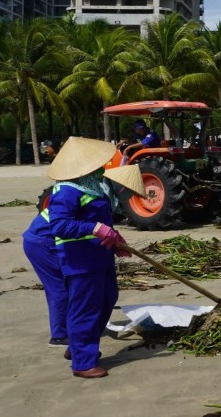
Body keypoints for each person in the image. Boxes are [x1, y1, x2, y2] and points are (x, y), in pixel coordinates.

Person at [45, 137, 145, 378]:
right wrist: (94, 229)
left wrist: (115, 240)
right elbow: (59, 225)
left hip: (99, 254)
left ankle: (77, 347)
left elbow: (105, 221)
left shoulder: (94, 185)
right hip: (80, 259)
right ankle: (83, 362)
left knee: (108, 298)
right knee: (85, 308)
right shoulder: (67, 190)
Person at [21, 205, 68, 349]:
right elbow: (68, 226)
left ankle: (71, 326)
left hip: (44, 240)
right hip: (42, 244)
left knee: (62, 287)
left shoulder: (86, 193)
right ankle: (59, 336)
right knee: (60, 289)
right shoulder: (71, 194)